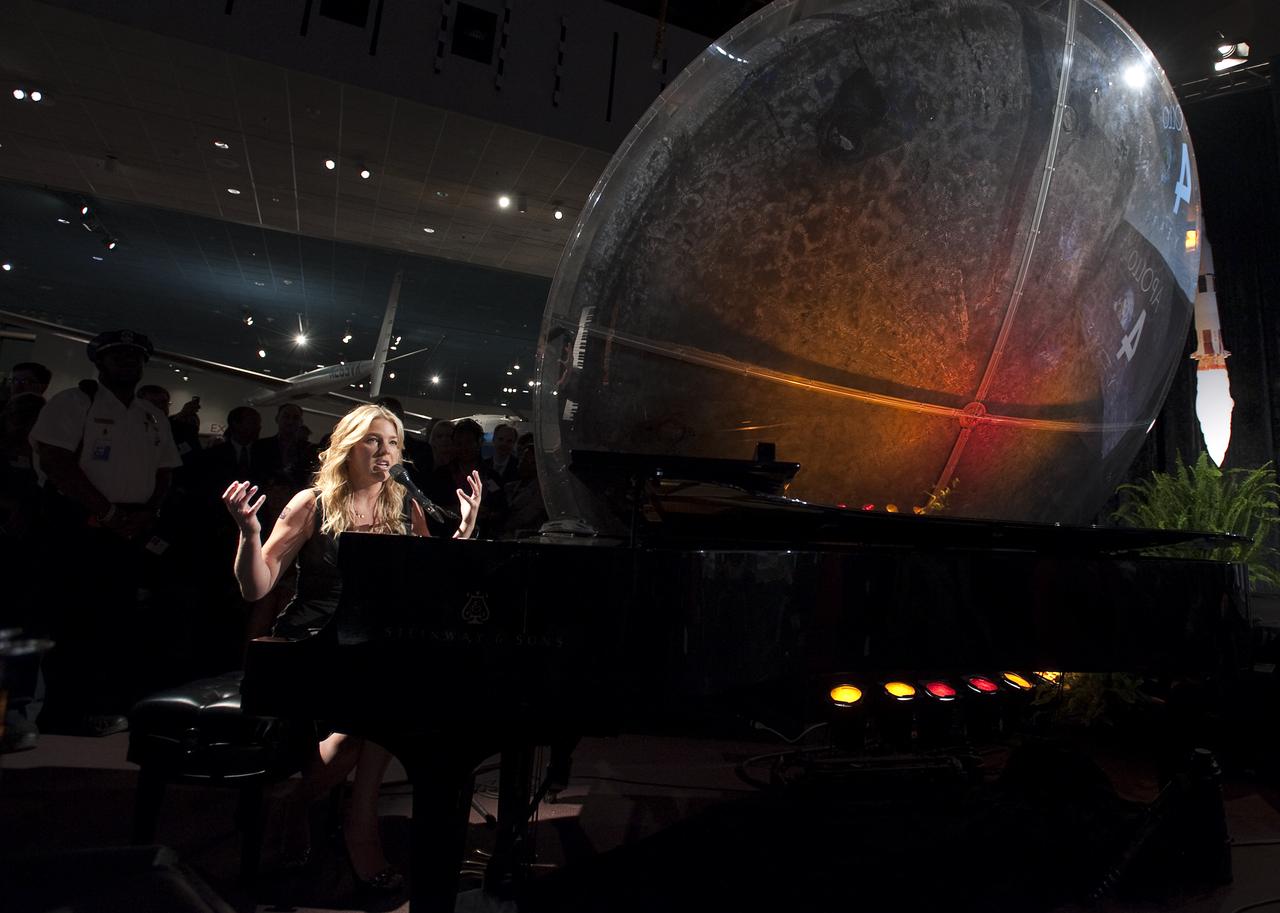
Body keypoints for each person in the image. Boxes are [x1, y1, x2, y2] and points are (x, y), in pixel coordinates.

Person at [222, 403, 481, 891]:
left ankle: (311, 808)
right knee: (379, 716)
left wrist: (465, 530)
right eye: (373, 440)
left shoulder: (405, 502)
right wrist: (249, 534)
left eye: (393, 443)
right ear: (347, 445)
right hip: (313, 639)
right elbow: (256, 588)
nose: (384, 452)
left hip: (371, 642)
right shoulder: (312, 502)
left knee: (386, 705)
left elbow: (432, 579)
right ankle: (344, 822)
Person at [29, 330, 183, 736]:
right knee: (72, 621)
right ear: (99, 362)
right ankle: (61, 714)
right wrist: (106, 511)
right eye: (117, 356)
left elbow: (165, 470)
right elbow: (56, 461)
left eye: (134, 356)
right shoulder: (73, 403)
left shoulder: (151, 414)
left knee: (116, 623)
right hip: (79, 527)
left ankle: (104, 707)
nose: (127, 362)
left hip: (130, 531)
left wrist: (147, 513)